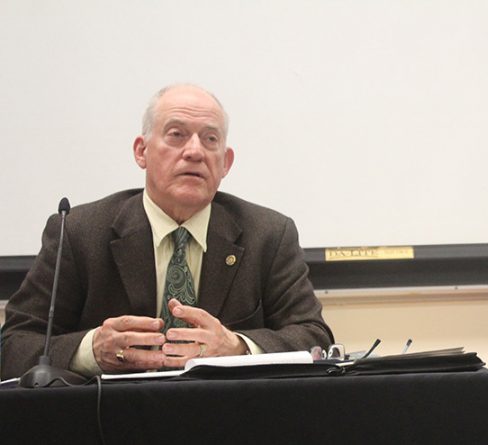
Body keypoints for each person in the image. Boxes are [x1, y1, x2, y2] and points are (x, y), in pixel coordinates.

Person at [1, 84, 333, 379]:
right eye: (176, 135)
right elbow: (15, 344)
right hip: (110, 423)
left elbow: (315, 338)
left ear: (225, 162)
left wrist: (238, 348)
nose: (194, 151)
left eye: (210, 139)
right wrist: (90, 350)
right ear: (141, 151)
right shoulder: (79, 233)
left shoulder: (268, 235)